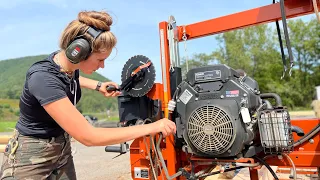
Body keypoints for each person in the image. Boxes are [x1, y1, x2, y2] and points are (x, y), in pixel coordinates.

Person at [0, 10, 176, 180]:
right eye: (100, 60)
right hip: (31, 156)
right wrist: (152, 127)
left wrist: (98, 85)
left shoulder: (67, 65)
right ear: (79, 51)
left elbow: (71, 78)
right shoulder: (42, 78)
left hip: (61, 149)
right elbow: (89, 137)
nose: (103, 66)